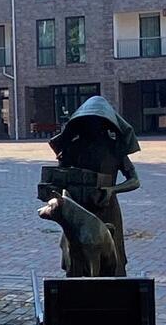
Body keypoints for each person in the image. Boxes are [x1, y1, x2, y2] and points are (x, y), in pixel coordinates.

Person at [41, 96, 140, 276]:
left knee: (111, 256)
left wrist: (112, 189)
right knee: (75, 256)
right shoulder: (72, 148)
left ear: (106, 123)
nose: (93, 125)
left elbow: (135, 180)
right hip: (77, 210)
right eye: (89, 121)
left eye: (98, 121)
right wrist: (54, 194)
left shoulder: (115, 149)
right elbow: (58, 178)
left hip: (107, 208)